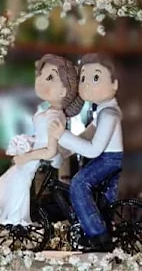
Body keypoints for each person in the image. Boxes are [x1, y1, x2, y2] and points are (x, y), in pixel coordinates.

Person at [0, 55, 83, 227]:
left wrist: (27, 156)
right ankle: (10, 212)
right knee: (15, 175)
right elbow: (43, 138)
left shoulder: (56, 117)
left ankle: (14, 215)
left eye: (50, 78)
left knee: (16, 176)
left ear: (63, 91)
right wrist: (29, 142)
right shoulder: (50, 113)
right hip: (39, 152)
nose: (40, 81)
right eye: (41, 76)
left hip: (44, 156)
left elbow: (50, 150)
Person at [48, 53, 122, 252]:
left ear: (114, 84)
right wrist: (63, 152)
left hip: (110, 160)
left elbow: (93, 149)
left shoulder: (109, 114)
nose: (87, 84)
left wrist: (62, 135)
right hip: (106, 158)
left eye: (95, 78)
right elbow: (87, 134)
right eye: (83, 78)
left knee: (79, 184)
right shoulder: (103, 111)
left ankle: (98, 235)